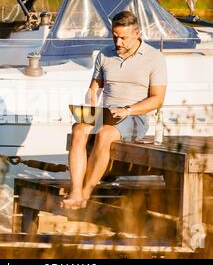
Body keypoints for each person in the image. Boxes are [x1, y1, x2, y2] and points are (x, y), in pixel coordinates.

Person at [61, 11, 167, 209]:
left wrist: (127, 110)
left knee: (105, 133)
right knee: (79, 128)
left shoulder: (154, 58)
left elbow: (157, 100)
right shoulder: (104, 54)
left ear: (137, 32)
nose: (118, 43)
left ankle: (85, 194)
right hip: (106, 112)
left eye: (123, 38)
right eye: (115, 36)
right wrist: (90, 108)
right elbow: (94, 89)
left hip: (134, 116)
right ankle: (75, 190)